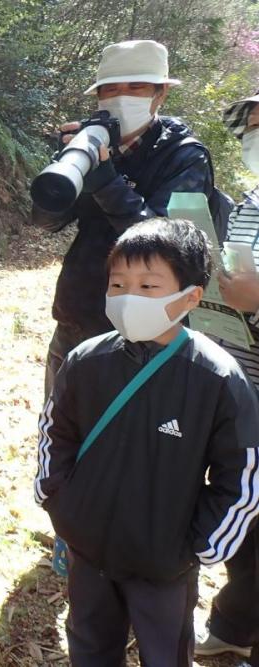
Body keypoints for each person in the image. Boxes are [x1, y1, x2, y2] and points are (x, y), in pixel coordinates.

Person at [35, 217, 259, 666]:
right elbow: (55, 431)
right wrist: (56, 497)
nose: (127, 297)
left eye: (147, 285)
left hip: (164, 566)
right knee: (90, 644)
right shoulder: (86, 360)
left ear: (190, 297)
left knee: (164, 653)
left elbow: (242, 474)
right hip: (89, 549)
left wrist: (201, 545)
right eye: (117, 283)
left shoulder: (215, 378)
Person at [30, 40, 215, 396]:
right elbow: (45, 222)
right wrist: (66, 168)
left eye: (136, 87)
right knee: (64, 430)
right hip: (80, 314)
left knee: (131, 441)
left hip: (150, 324)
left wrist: (107, 182)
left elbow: (166, 246)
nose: (121, 96)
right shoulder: (92, 143)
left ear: (160, 94)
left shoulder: (185, 157)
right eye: (110, 89)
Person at [194, 89, 259, 661]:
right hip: (239, 380)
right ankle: (236, 629)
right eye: (252, 130)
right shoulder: (248, 203)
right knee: (243, 504)